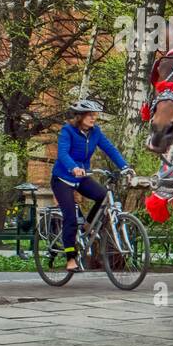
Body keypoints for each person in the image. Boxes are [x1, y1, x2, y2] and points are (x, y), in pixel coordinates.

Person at [52, 99, 130, 271]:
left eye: (95, 115)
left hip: (82, 176)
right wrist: (73, 167)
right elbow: (63, 153)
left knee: (103, 196)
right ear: (79, 116)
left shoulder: (95, 133)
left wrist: (125, 167)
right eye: (90, 115)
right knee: (70, 218)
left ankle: (88, 224)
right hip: (63, 178)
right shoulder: (68, 131)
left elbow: (110, 149)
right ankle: (70, 258)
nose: (93, 118)